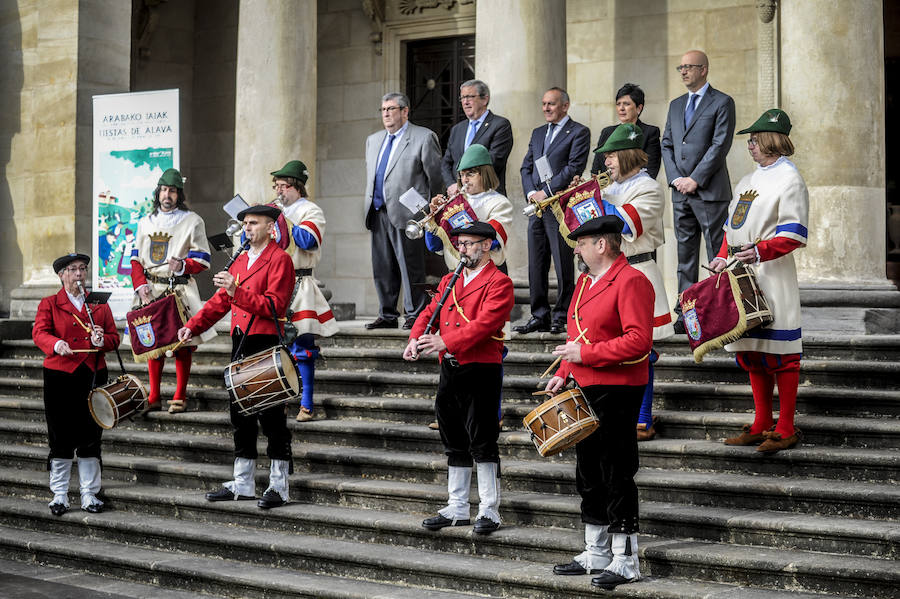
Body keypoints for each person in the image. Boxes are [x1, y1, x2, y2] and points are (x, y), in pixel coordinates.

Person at [545, 216, 653, 590]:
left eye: (582, 243)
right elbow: (578, 334)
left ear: (602, 245)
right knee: (588, 469)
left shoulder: (632, 280)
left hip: (619, 386)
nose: (576, 248)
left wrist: (584, 354)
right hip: (586, 384)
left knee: (616, 470)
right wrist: (563, 370)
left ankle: (626, 559)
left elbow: (640, 342)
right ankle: (596, 550)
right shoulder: (584, 282)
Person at [177, 204, 295, 509]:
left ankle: (279, 486)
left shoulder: (280, 259)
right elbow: (219, 303)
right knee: (239, 415)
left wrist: (236, 290)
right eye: (245, 223)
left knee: (271, 418)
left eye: (254, 223)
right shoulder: (240, 259)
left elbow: (275, 307)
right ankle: (242, 483)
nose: (247, 228)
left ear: (271, 227)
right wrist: (192, 326)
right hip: (241, 340)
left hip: (265, 341)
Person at [404, 221, 514, 535]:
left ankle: (490, 510)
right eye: (460, 243)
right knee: (453, 435)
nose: (461, 249)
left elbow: (485, 324)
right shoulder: (450, 278)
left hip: (480, 366)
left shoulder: (499, 282)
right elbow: (430, 313)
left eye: (467, 243)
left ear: (487, 245)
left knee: (482, 437)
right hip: (450, 366)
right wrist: (416, 338)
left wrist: (446, 341)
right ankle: (457, 506)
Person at [712, 109, 808, 454]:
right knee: (752, 351)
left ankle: (785, 427)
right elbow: (730, 228)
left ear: (769, 140)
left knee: (781, 352)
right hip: (740, 270)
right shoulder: (748, 179)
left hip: (772, 271)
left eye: (753, 140)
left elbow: (794, 233)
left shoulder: (789, 179)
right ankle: (760, 423)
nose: (749, 145)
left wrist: (761, 250)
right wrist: (723, 256)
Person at [579, 123, 675, 440]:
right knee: (612, 344)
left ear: (626, 155)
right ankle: (627, 413)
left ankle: (643, 418)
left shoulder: (649, 187)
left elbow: (623, 223)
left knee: (640, 348)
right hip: (606, 273)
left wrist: (590, 198)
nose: (605, 163)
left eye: (611, 157)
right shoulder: (610, 188)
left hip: (637, 270)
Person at [32, 253, 121, 516]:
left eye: (82, 268)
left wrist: (101, 341)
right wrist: (56, 344)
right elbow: (39, 332)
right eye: (72, 269)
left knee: (91, 435)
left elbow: (115, 339)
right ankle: (59, 494)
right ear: (61, 275)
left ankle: (89, 494)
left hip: (93, 373)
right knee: (60, 434)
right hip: (60, 374)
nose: (79, 274)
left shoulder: (99, 305)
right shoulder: (49, 303)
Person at [661, 50, 736, 330]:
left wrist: (695, 178)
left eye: (688, 67)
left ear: (704, 69)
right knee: (685, 256)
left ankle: (721, 313)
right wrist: (675, 179)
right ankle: (686, 313)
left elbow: (720, 144)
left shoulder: (722, 102)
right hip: (680, 192)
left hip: (710, 192)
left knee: (717, 254)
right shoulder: (676, 105)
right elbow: (666, 143)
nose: (683, 71)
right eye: (680, 67)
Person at [130, 168, 214, 414]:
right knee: (152, 343)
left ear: (179, 194)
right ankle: (154, 395)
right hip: (151, 289)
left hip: (179, 289)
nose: (168, 195)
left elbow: (203, 259)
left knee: (182, 343)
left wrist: (184, 265)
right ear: (158, 192)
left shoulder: (193, 220)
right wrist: (140, 284)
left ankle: (179, 395)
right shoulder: (144, 222)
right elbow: (135, 260)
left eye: (173, 191)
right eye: (164, 190)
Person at [364, 92, 443, 330]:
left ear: (405, 111)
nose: (386, 114)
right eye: (383, 110)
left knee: (411, 266)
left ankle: (414, 313)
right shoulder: (373, 140)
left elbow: (435, 178)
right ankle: (387, 314)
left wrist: (429, 212)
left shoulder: (423, 137)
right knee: (382, 265)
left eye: (391, 109)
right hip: (377, 210)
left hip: (409, 214)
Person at [517, 87, 591, 334]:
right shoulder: (538, 133)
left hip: (560, 207)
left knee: (562, 263)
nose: (546, 108)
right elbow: (526, 167)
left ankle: (562, 315)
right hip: (536, 207)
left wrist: (546, 193)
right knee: (536, 263)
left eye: (551, 104)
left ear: (565, 106)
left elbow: (573, 168)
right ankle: (539, 315)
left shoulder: (579, 132)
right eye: (544, 104)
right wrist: (531, 194)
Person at [270, 160, 338, 422]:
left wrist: (281, 218)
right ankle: (281, 400)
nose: (279, 191)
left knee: (302, 346)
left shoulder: (311, 210)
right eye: (276, 186)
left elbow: (309, 241)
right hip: (274, 284)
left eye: (283, 186)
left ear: (297, 187)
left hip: (300, 283)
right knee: (275, 346)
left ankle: (307, 403)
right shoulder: (273, 211)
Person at [425, 144, 514, 273]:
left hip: (486, 273)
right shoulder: (455, 202)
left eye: (470, 174)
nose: (464, 179)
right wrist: (434, 218)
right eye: (461, 175)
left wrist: (457, 214)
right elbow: (435, 246)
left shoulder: (500, 203)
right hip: (455, 273)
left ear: (484, 174)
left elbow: (492, 241)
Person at [441, 79, 514, 196]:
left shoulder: (500, 125)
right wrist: (451, 184)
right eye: (462, 98)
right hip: (458, 197)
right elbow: (446, 163)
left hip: (487, 196)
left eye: (469, 97)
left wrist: (461, 183)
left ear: (485, 99)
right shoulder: (457, 129)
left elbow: (494, 161)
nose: (465, 102)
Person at [590, 83, 662, 179]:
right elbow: (596, 170)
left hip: (636, 190)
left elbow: (650, 171)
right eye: (618, 104)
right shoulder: (607, 132)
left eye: (626, 104)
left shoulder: (650, 132)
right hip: (607, 191)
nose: (621, 108)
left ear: (639, 108)